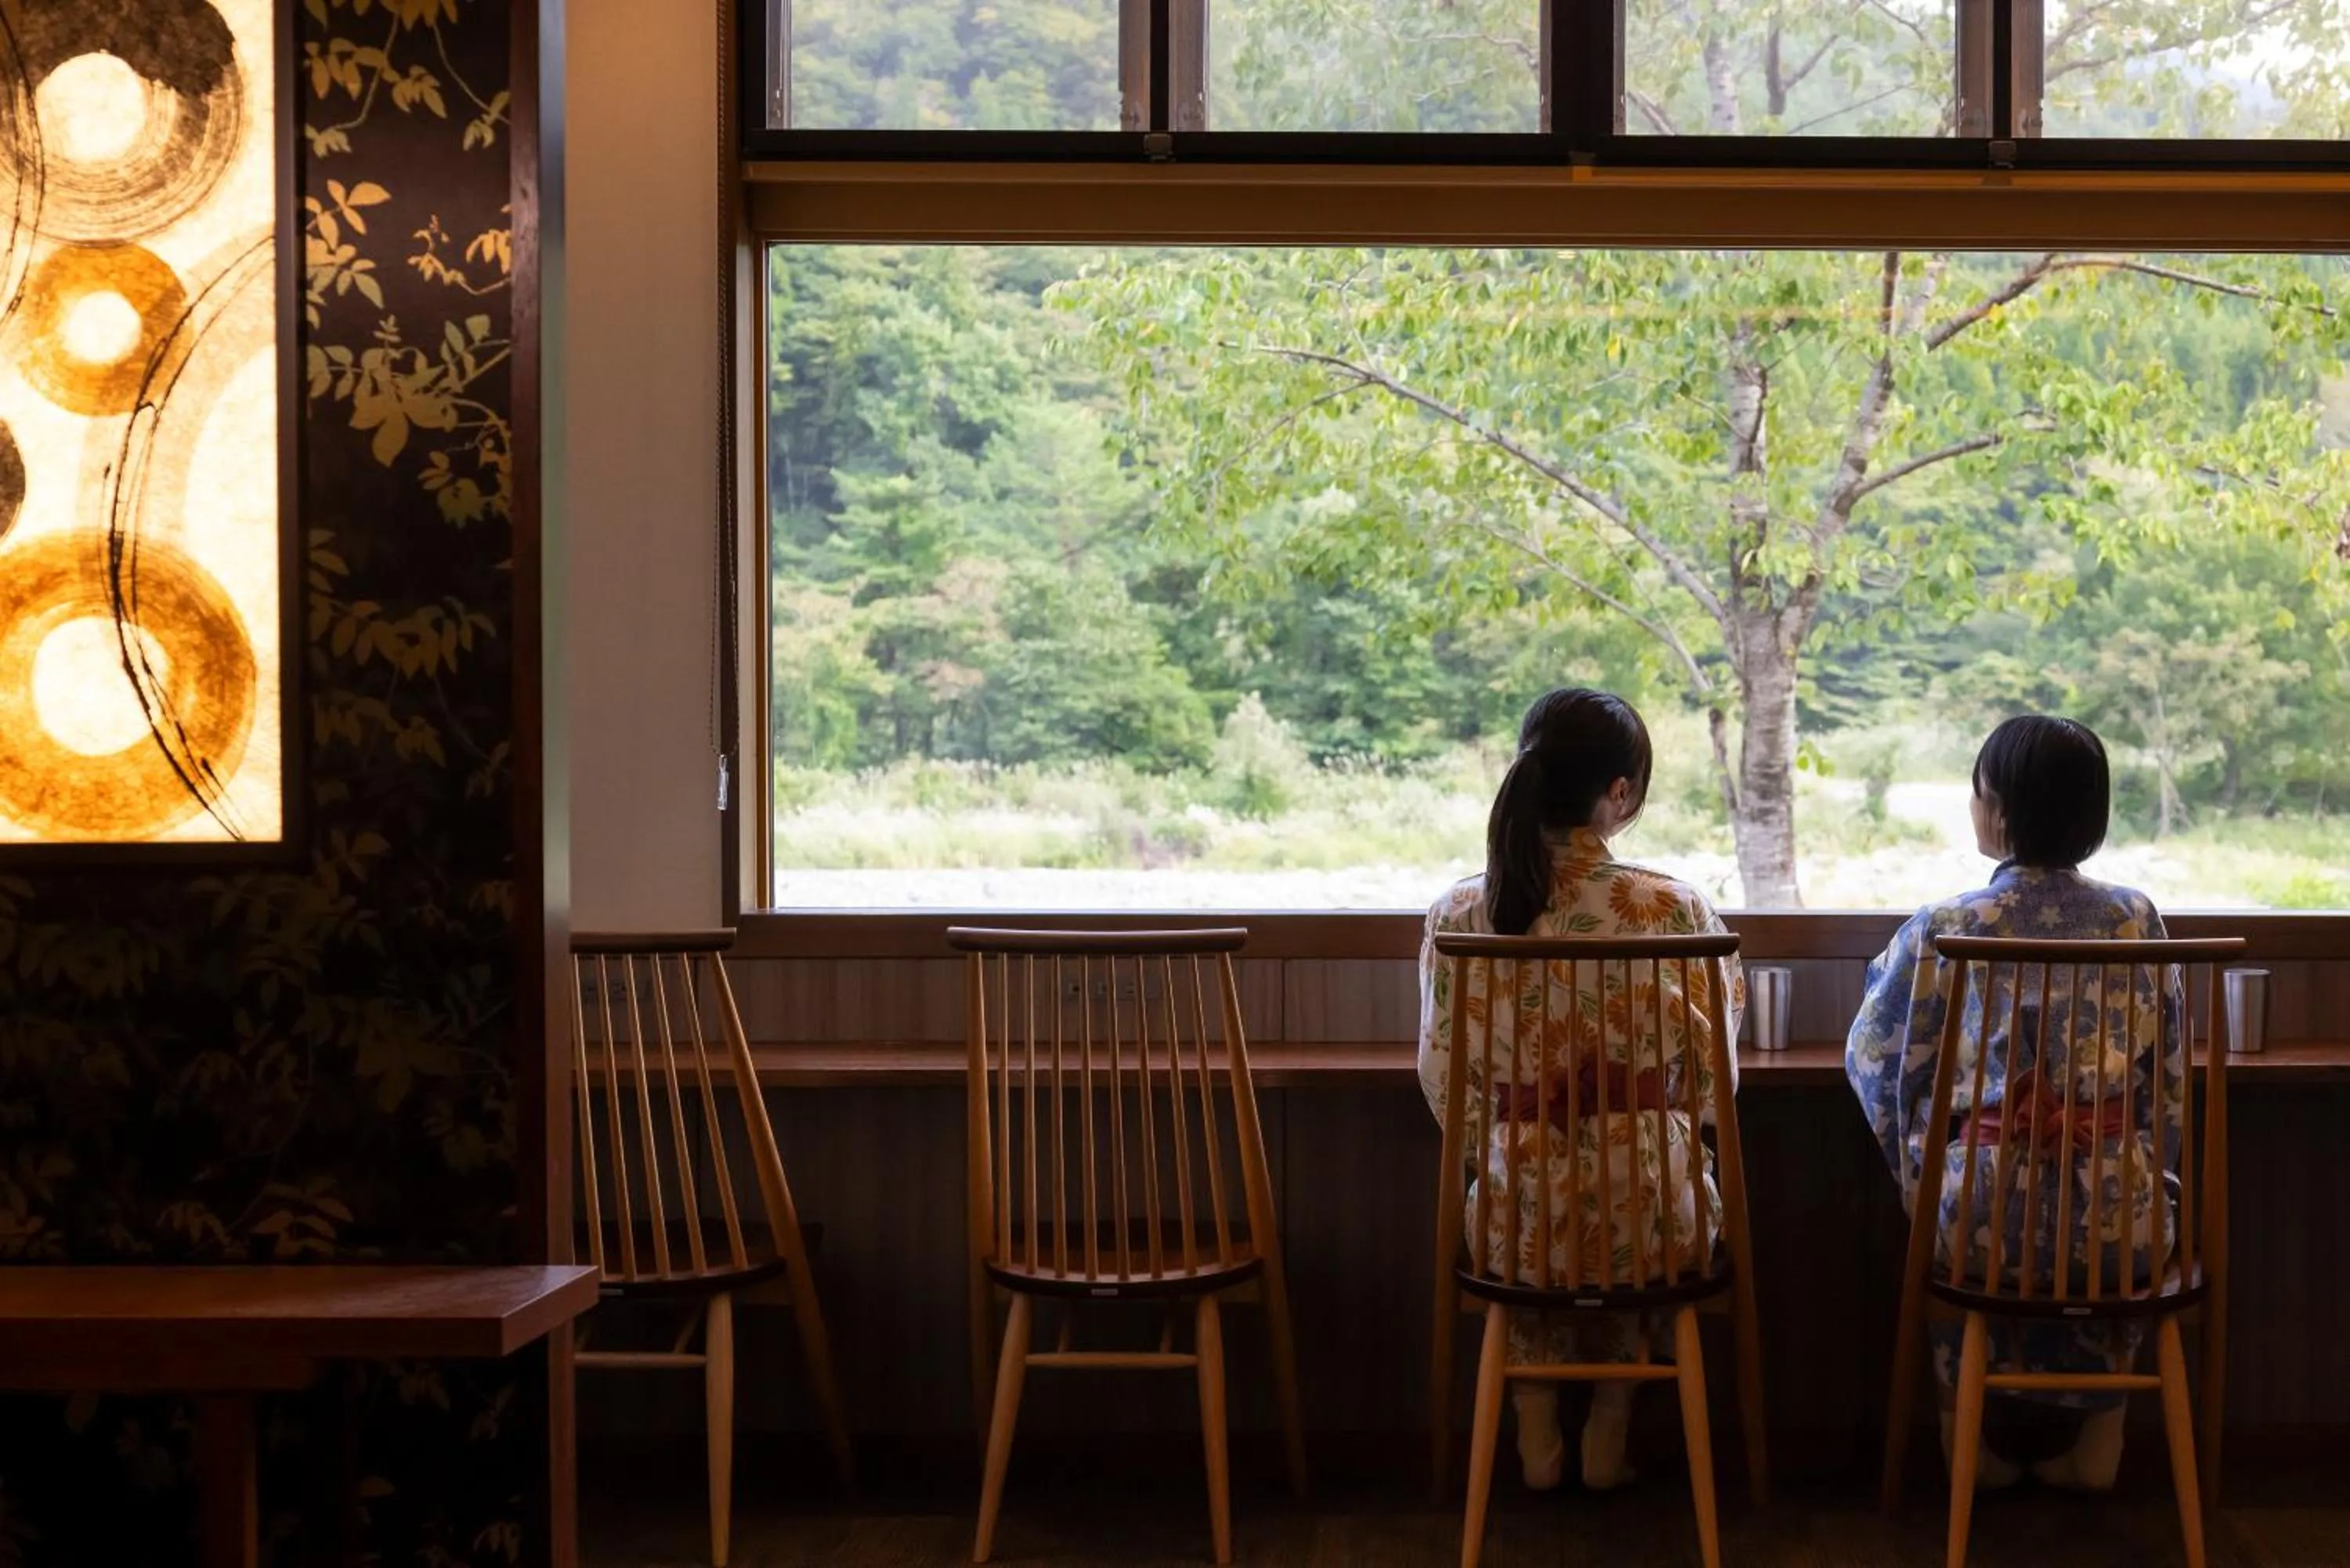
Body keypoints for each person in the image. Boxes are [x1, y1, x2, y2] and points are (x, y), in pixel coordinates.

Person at [1418, 688, 1743, 1494]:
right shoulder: (1675, 908)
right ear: (1620, 793)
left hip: (1514, 1211)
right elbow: (1716, 1091)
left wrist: (1507, 1130)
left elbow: (1440, 1079)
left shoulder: (1464, 907)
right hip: (1657, 1211)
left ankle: (1534, 1436)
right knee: (1650, 1189)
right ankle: (1609, 1430)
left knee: (1525, 1213)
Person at [1847, 714, 2183, 1491]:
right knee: (2126, 1229)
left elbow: (1876, 1059)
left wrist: (1929, 1167)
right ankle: (2101, 1438)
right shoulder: (2137, 920)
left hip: (1981, 1218)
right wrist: (2150, 1174)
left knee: (1954, 1227)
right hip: (2113, 1210)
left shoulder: (1949, 924)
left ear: (1994, 809)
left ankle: (1971, 1444)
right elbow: (2166, 1082)